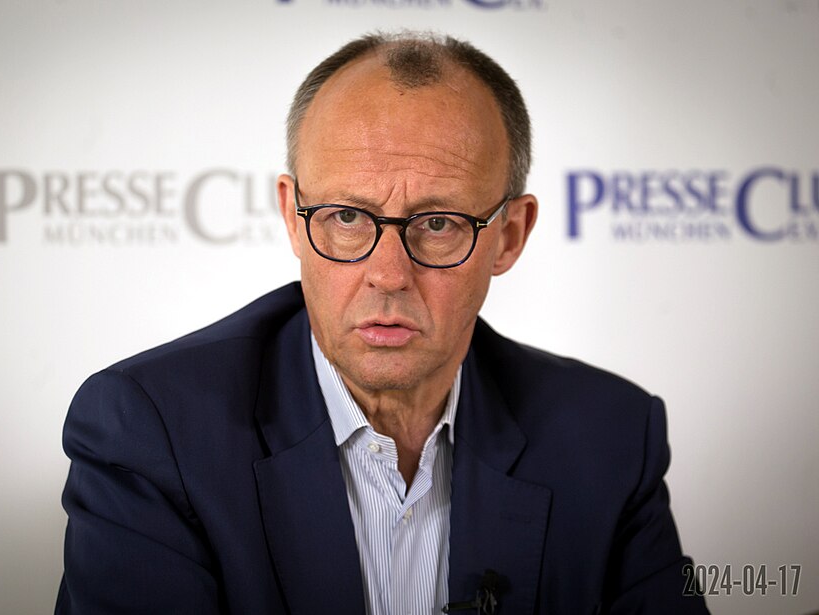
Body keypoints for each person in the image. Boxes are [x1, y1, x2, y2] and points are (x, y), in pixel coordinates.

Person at [55, 31, 708, 615]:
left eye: (439, 223)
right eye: (346, 217)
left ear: (509, 235)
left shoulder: (610, 439)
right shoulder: (153, 433)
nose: (389, 274)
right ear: (292, 218)